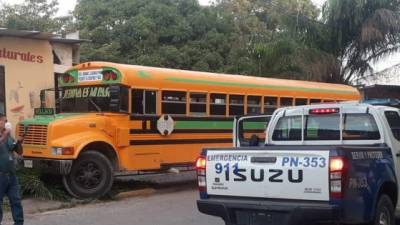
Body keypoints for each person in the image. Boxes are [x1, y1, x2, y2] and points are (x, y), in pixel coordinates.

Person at [0, 113, 23, 225]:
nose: (6, 123)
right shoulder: (5, 135)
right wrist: (4, 136)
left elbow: (18, 151)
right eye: (5, 120)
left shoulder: (8, 136)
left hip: (11, 175)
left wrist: (19, 142)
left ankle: (18, 223)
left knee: (16, 201)